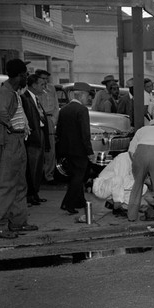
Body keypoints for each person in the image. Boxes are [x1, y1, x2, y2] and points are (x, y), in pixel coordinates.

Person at [0, 59, 38, 239]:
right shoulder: (6, 92)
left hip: (17, 140)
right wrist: (10, 125)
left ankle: (18, 222)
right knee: (5, 185)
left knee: (19, 184)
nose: (27, 76)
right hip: (8, 141)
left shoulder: (13, 91)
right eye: (25, 73)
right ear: (19, 75)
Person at [56, 82, 94, 215]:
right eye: (88, 95)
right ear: (82, 95)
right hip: (80, 151)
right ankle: (68, 203)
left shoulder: (64, 109)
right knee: (78, 178)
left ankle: (80, 201)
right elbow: (85, 134)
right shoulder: (82, 110)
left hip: (67, 150)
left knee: (74, 176)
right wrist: (89, 152)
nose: (88, 99)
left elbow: (59, 131)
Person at [21, 73, 50, 206]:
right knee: (32, 168)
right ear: (33, 85)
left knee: (38, 167)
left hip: (41, 135)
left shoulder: (36, 99)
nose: (44, 86)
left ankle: (35, 193)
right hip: (33, 138)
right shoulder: (25, 98)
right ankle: (30, 195)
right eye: (41, 84)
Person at [92, 152, 147, 218]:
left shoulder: (135, 161)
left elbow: (131, 181)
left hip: (114, 188)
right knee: (119, 180)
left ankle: (123, 206)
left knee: (143, 187)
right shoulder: (123, 158)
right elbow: (124, 183)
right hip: (101, 187)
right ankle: (117, 207)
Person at [35, 69, 60, 184]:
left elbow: (56, 105)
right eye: (42, 78)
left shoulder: (51, 88)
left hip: (49, 119)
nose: (45, 81)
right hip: (38, 119)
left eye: (46, 79)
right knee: (39, 148)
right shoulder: (35, 88)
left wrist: (54, 120)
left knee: (51, 149)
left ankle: (49, 175)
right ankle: (38, 174)